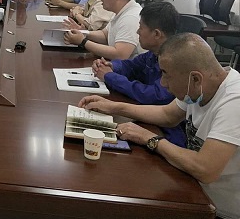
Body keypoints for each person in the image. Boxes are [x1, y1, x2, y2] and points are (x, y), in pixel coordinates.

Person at [79, 33, 240, 219]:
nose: (163, 83)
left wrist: (150, 139)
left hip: (219, 211)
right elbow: (167, 115)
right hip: (194, 189)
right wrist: (114, 107)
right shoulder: (201, 86)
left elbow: (205, 169)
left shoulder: (234, 101)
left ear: (195, 78)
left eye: (166, 75)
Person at [91, 1, 186, 146]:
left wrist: (109, 76)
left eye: (141, 27)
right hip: (147, 117)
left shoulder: (175, 61)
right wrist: (111, 66)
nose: (137, 32)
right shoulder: (153, 53)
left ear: (156, 34)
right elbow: (131, 65)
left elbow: (154, 95)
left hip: (168, 132)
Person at [64, 0, 143, 60]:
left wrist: (83, 42)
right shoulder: (122, 11)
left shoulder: (131, 17)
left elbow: (120, 55)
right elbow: (105, 35)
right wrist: (82, 32)